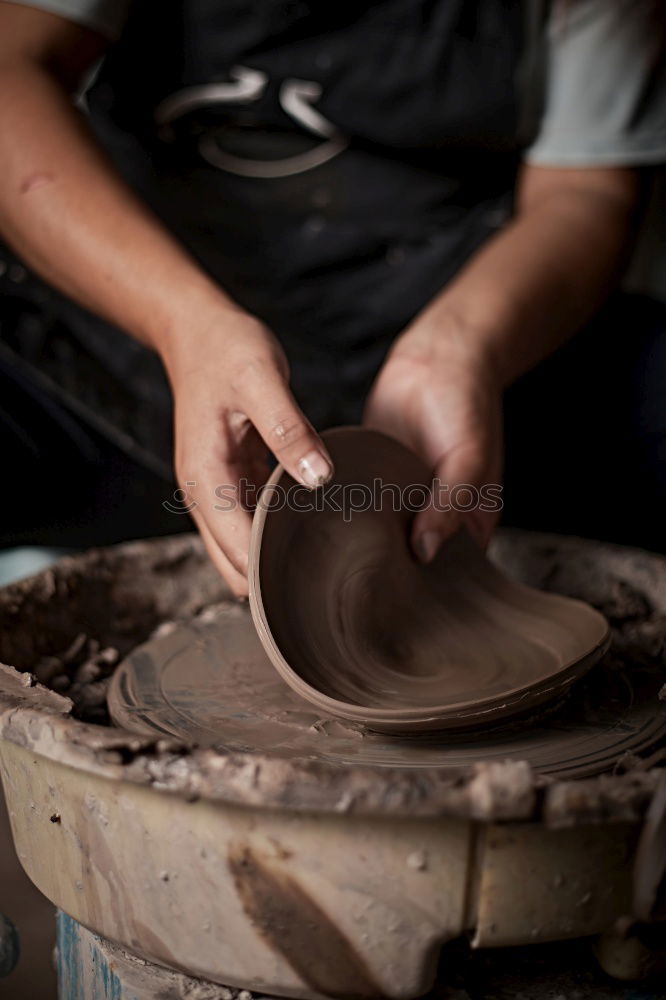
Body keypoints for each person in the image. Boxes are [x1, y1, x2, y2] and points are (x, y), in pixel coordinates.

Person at [0, 0, 664, 595]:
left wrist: (464, 347)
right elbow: (10, 75)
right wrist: (181, 323)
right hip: (127, 354)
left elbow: (587, 192)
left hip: (454, 373)